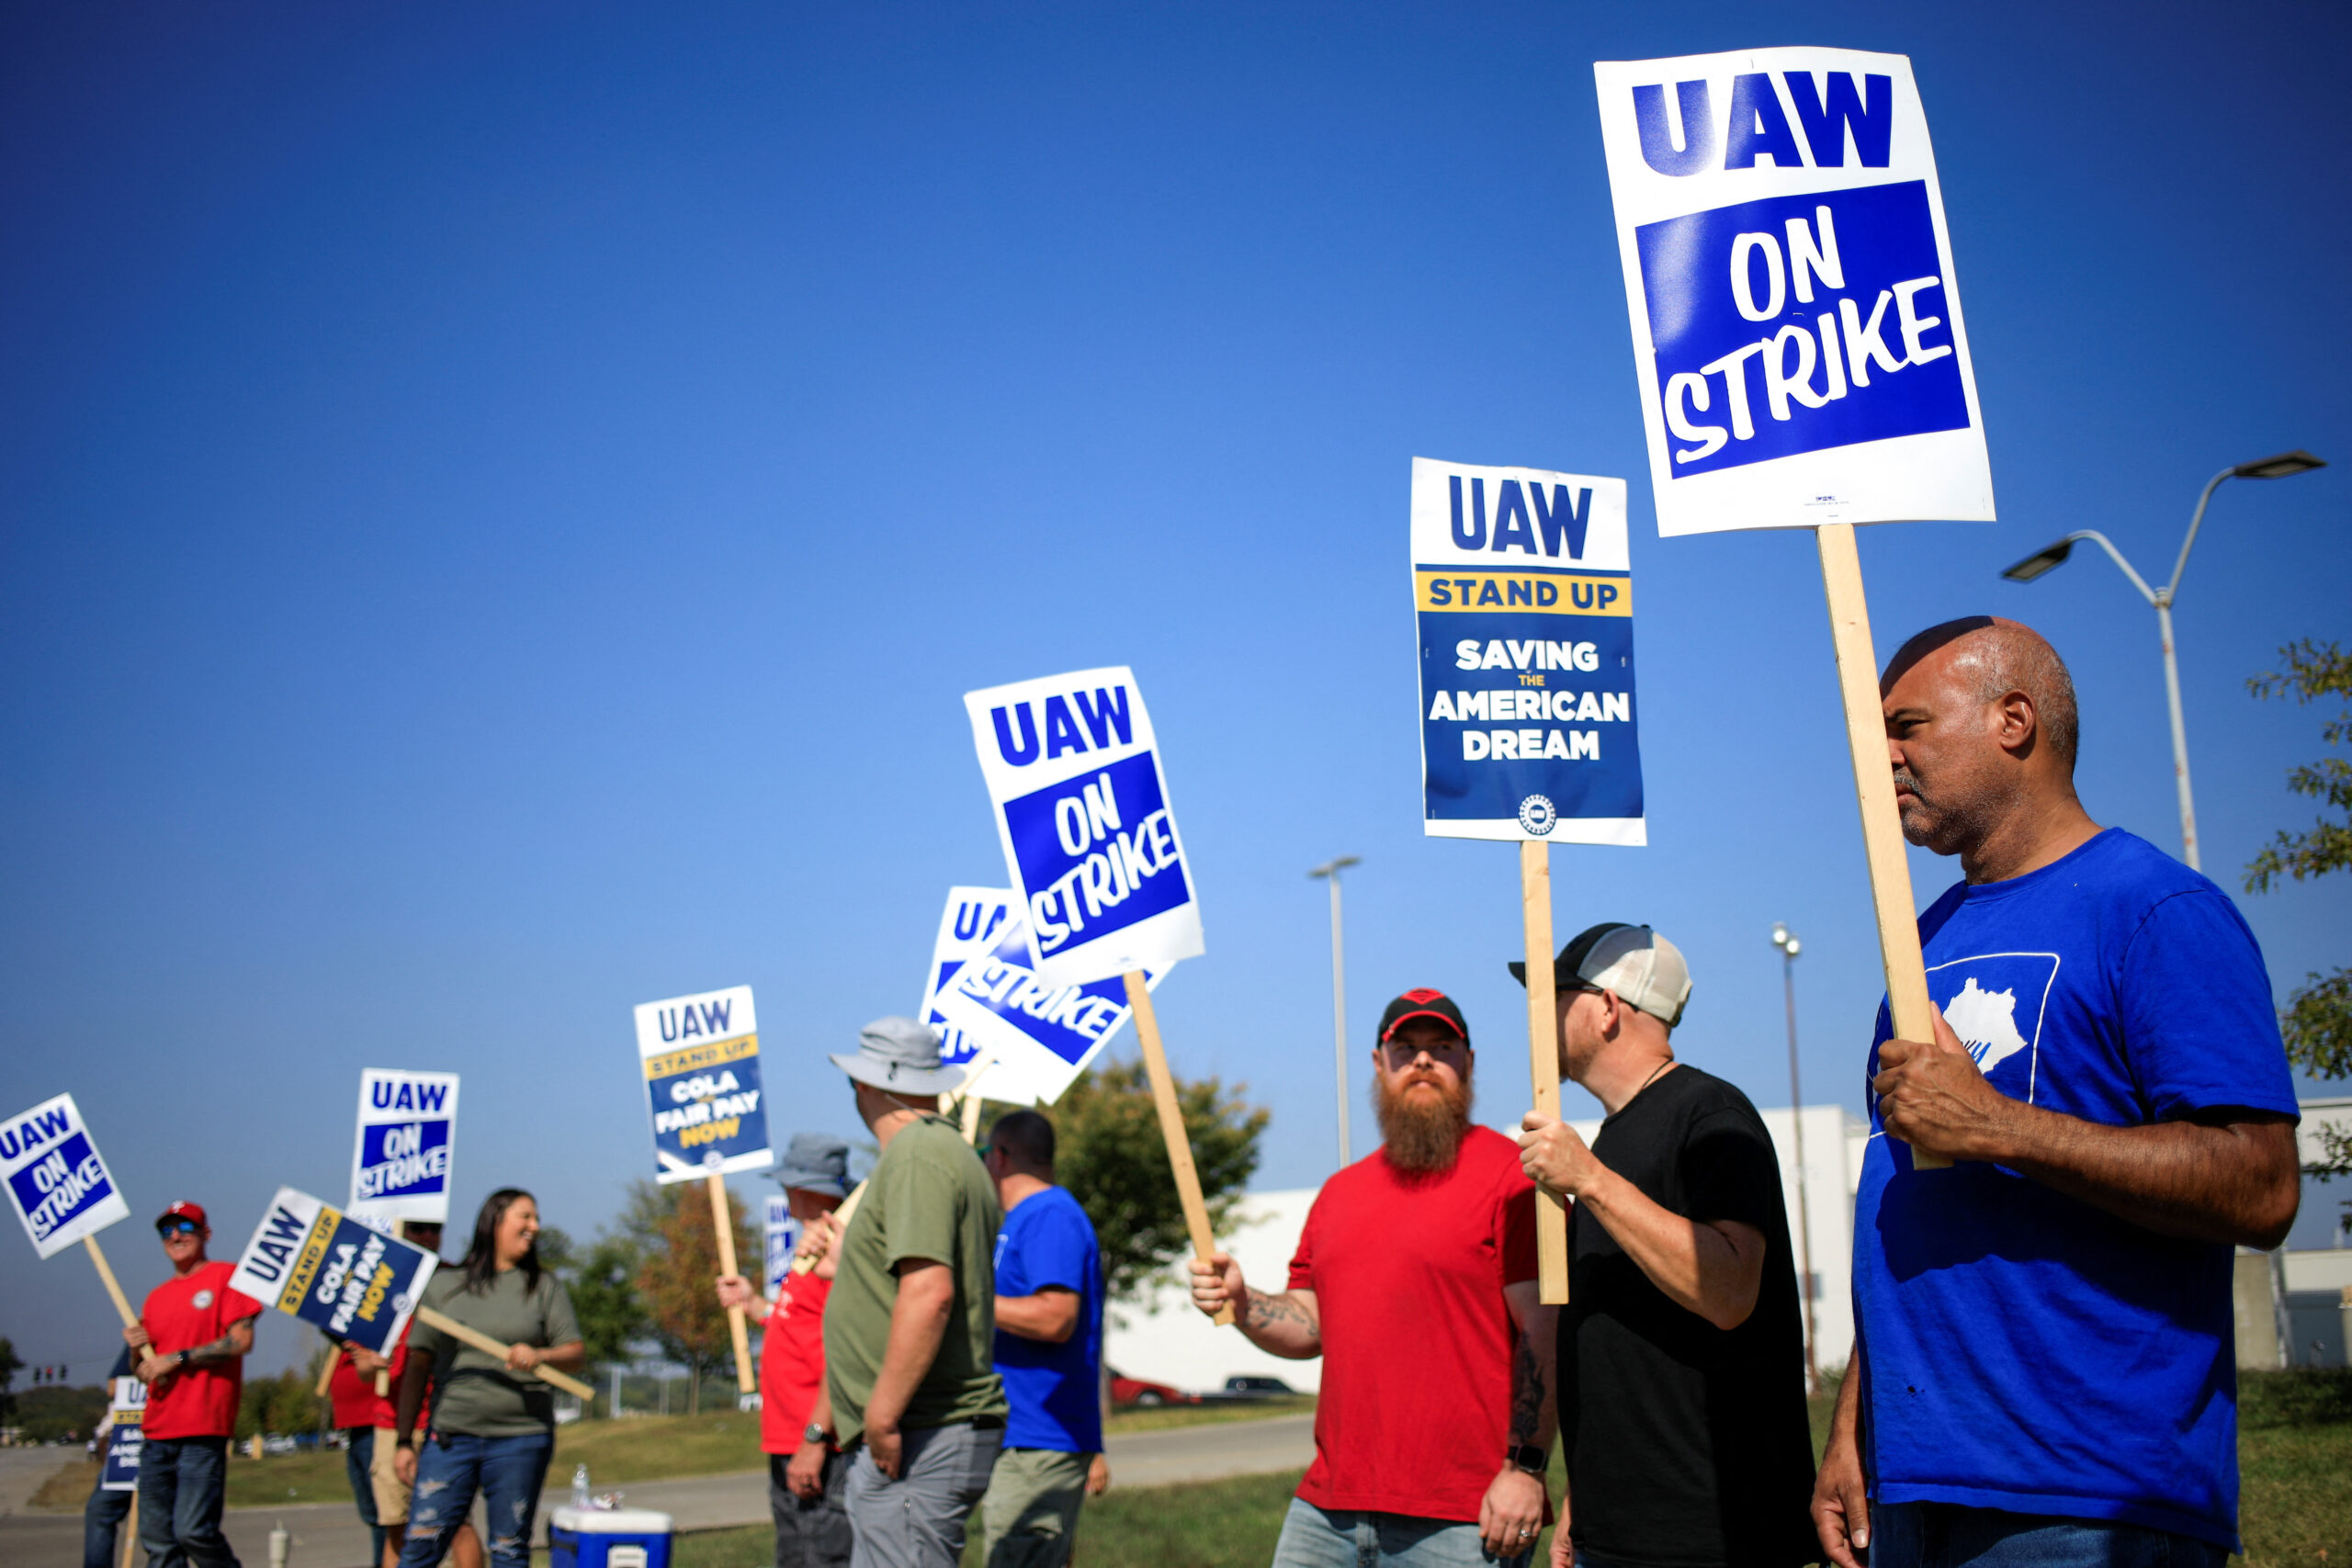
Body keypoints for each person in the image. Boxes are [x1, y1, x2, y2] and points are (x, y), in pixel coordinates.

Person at [1814, 617, 2301, 1568]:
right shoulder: (1921, 944)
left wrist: (1998, 1126)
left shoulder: (2155, 911)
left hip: (2088, 1500)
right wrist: (1854, 1427)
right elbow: (1910, 1207)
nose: (1883, 759)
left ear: (2013, 719)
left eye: (1906, 726)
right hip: (1912, 1491)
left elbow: (2262, 1186)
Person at [1190, 989, 1555, 1568]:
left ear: (1470, 1062)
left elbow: (1544, 1332)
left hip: (1465, 1518)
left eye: (1441, 1047)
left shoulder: (1514, 1178)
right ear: (1378, 1064)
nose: (1423, 1062)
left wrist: (1526, 1469)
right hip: (1327, 1511)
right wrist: (1242, 1300)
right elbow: (1309, 1325)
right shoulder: (1340, 1194)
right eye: (1405, 1048)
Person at [1513, 923, 1817, 1568]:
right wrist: (1584, 1500)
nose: (1536, 1015)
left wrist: (1591, 1182)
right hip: (1617, 1534)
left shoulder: (1709, 1113)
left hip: (1710, 1540)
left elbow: (1731, 1289)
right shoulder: (1611, 1141)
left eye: (1554, 996)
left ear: (1607, 1007)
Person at [822, 1017, 1008, 1568]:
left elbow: (930, 1293)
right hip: (924, 1430)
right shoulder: (944, 1152)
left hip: (920, 1432)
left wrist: (880, 1416)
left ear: (865, 1084)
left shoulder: (916, 1154)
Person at [392, 1190, 586, 1568]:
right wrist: (403, 1440)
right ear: (495, 1221)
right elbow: (418, 1365)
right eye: (525, 1217)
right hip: (452, 1438)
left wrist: (541, 1355)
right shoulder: (445, 1287)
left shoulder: (544, 1287)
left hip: (522, 1438)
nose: (535, 1226)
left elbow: (575, 1353)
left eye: (536, 1218)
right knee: (420, 1545)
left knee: (509, 1549)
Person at [975, 1109, 1107, 1568]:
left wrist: (969, 1302)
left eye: (984, 1153)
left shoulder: (1050, 1215)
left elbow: (1056, 1317)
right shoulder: (1023, 1219)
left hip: (1040, 1437)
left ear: (1002, 1157)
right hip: (1022, 1433)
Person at [716, 1133, 856, 1568]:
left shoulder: (837, 1256)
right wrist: (755, 1304)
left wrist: (816, 1439)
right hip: (790, 1437)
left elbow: (844, 1353)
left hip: (816, 1441)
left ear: (800, 1189)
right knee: (795, 1553)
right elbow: (802, 1325)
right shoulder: (810, 1252)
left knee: (817, 1553)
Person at [332, 1221, 480, 1568]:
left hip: (445, 1418)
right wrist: (370, 1361)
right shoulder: (376, 1283)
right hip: (390, 1421)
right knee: (396, 1525)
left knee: (458, 1524)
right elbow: (365, 1370)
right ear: (399, 1232)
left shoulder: (455, 1279)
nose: (427, 1236)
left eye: (434, 1229)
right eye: (416, 1229)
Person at [126, 1200, 262, 1568]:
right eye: (167, 1230)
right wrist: (136, 1351)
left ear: (205, 1234)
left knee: (194, 1531)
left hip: (202, 1428)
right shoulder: (156, 1297)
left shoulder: (227, 1277)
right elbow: (142, 1369)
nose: (175, 1236)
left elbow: (240, 1341)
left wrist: (178, 1358)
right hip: (156, 1431)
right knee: (158, 1541)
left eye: (185, 1228)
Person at [83, 1347, 135, 1568]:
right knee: (100, 1509)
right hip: (131, 1440)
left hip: (176, 1438)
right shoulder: (145, 1325)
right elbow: (114, 1387)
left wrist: (176, 1358)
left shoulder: (194, 1320)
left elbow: (183, 1356)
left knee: (163, 1526)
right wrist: (136, 1356)